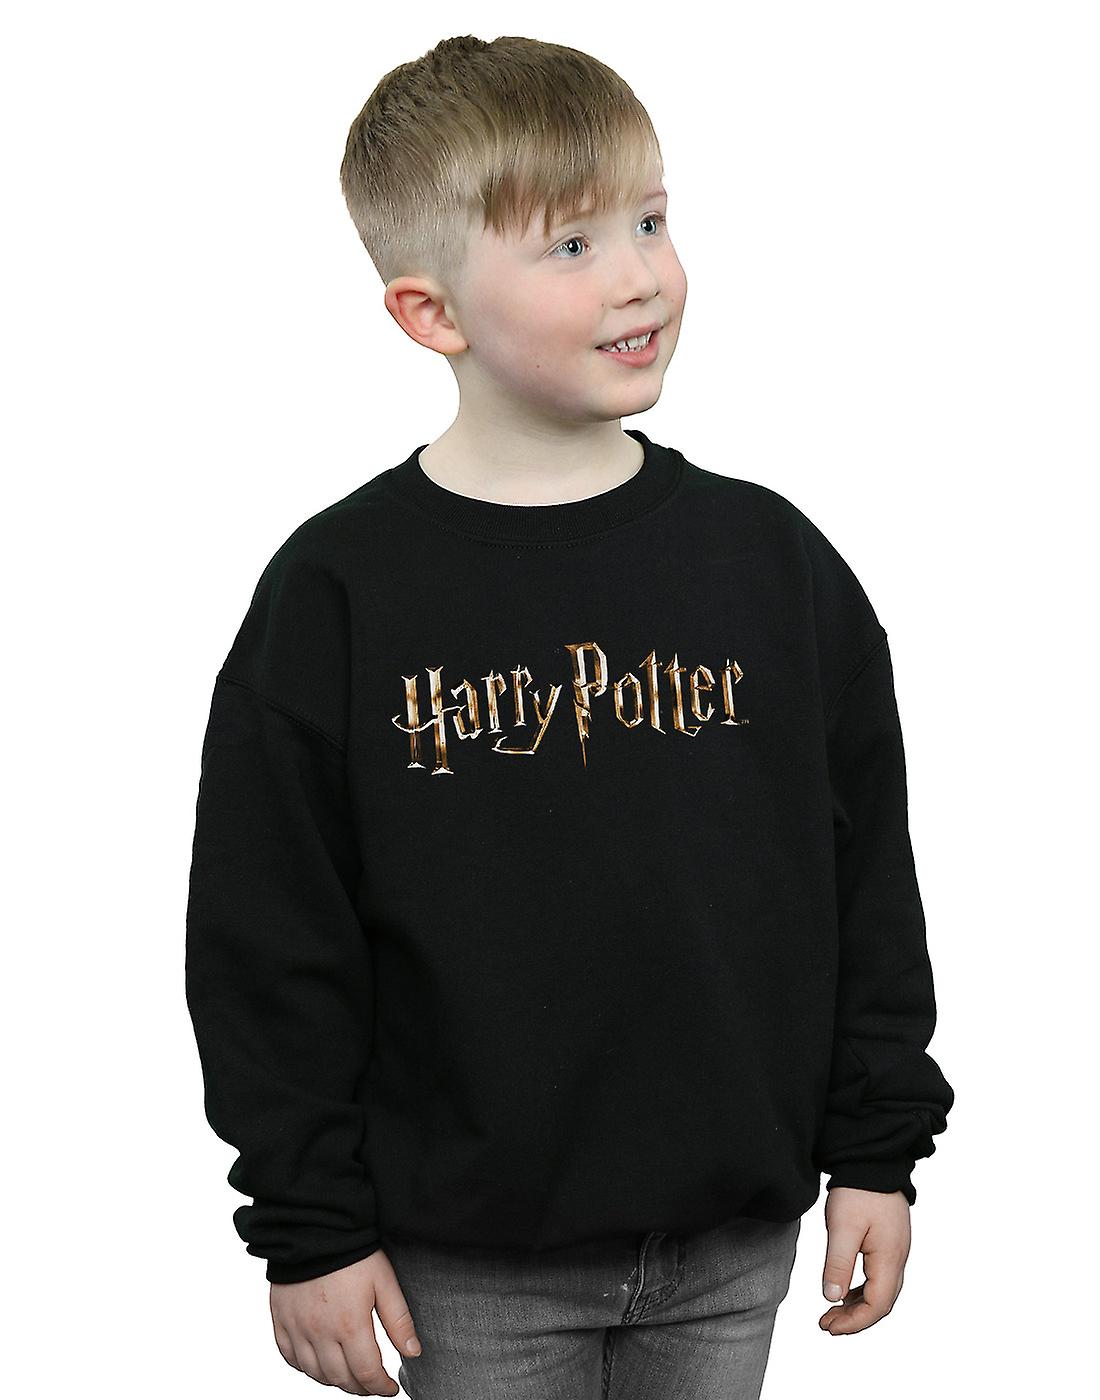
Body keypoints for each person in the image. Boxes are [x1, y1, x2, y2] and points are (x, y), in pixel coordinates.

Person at [184, 32, 954, 1400]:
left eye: (650, 220)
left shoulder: (771, 565)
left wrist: (877, 1149)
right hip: (466, 1267)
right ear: (431, 314)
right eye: (572, 244)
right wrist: (309, 1228)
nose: (639, 273)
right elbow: (269, 941)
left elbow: (867, 887)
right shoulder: (339, 595)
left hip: (734, 1244)